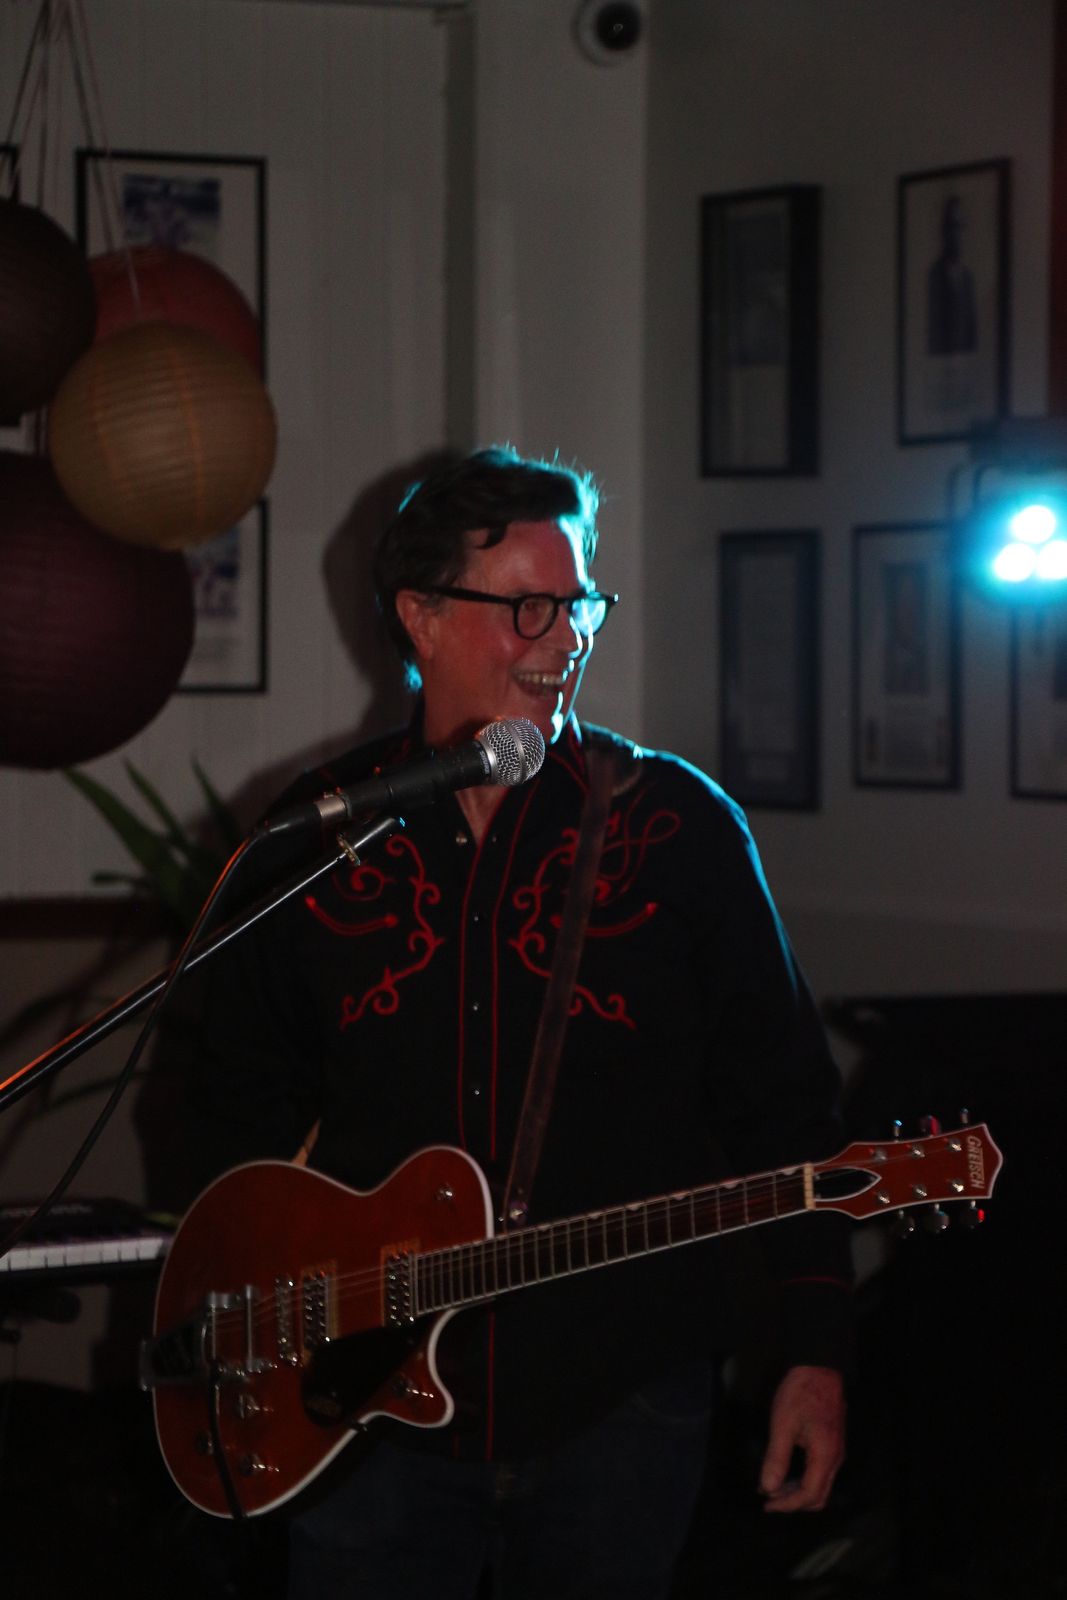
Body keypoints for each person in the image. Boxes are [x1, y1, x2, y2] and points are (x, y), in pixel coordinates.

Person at [192, 447, 853, 1599]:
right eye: (527, 608)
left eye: (578, 604)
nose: (564, 640)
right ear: (421, 616)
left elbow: (783, 1101)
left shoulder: (677, 828)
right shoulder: (318, 834)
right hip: (365, 1412)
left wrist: (816, 1347)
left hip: (622, 1404)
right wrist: (264, 1320)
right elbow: (229, 1103)